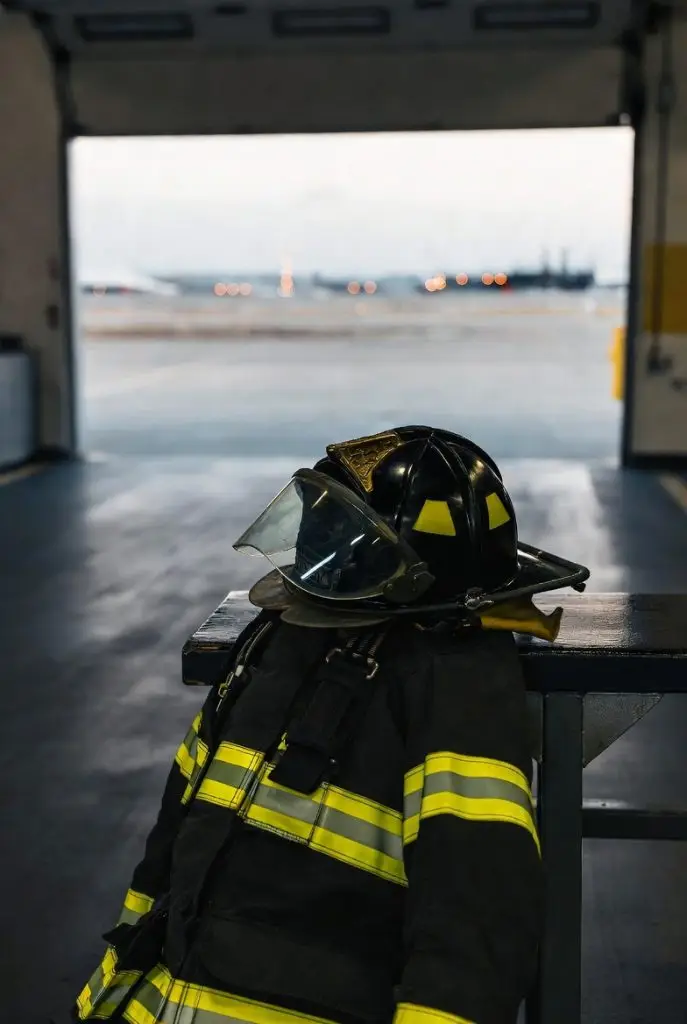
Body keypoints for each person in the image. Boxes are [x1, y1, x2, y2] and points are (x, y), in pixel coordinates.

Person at [73, 425, 589, 1024]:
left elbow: (473, 931)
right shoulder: (277, 646)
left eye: (343, 535)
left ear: (399, 563)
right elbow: (173, 842)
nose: (319, 551)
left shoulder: (455, 686)